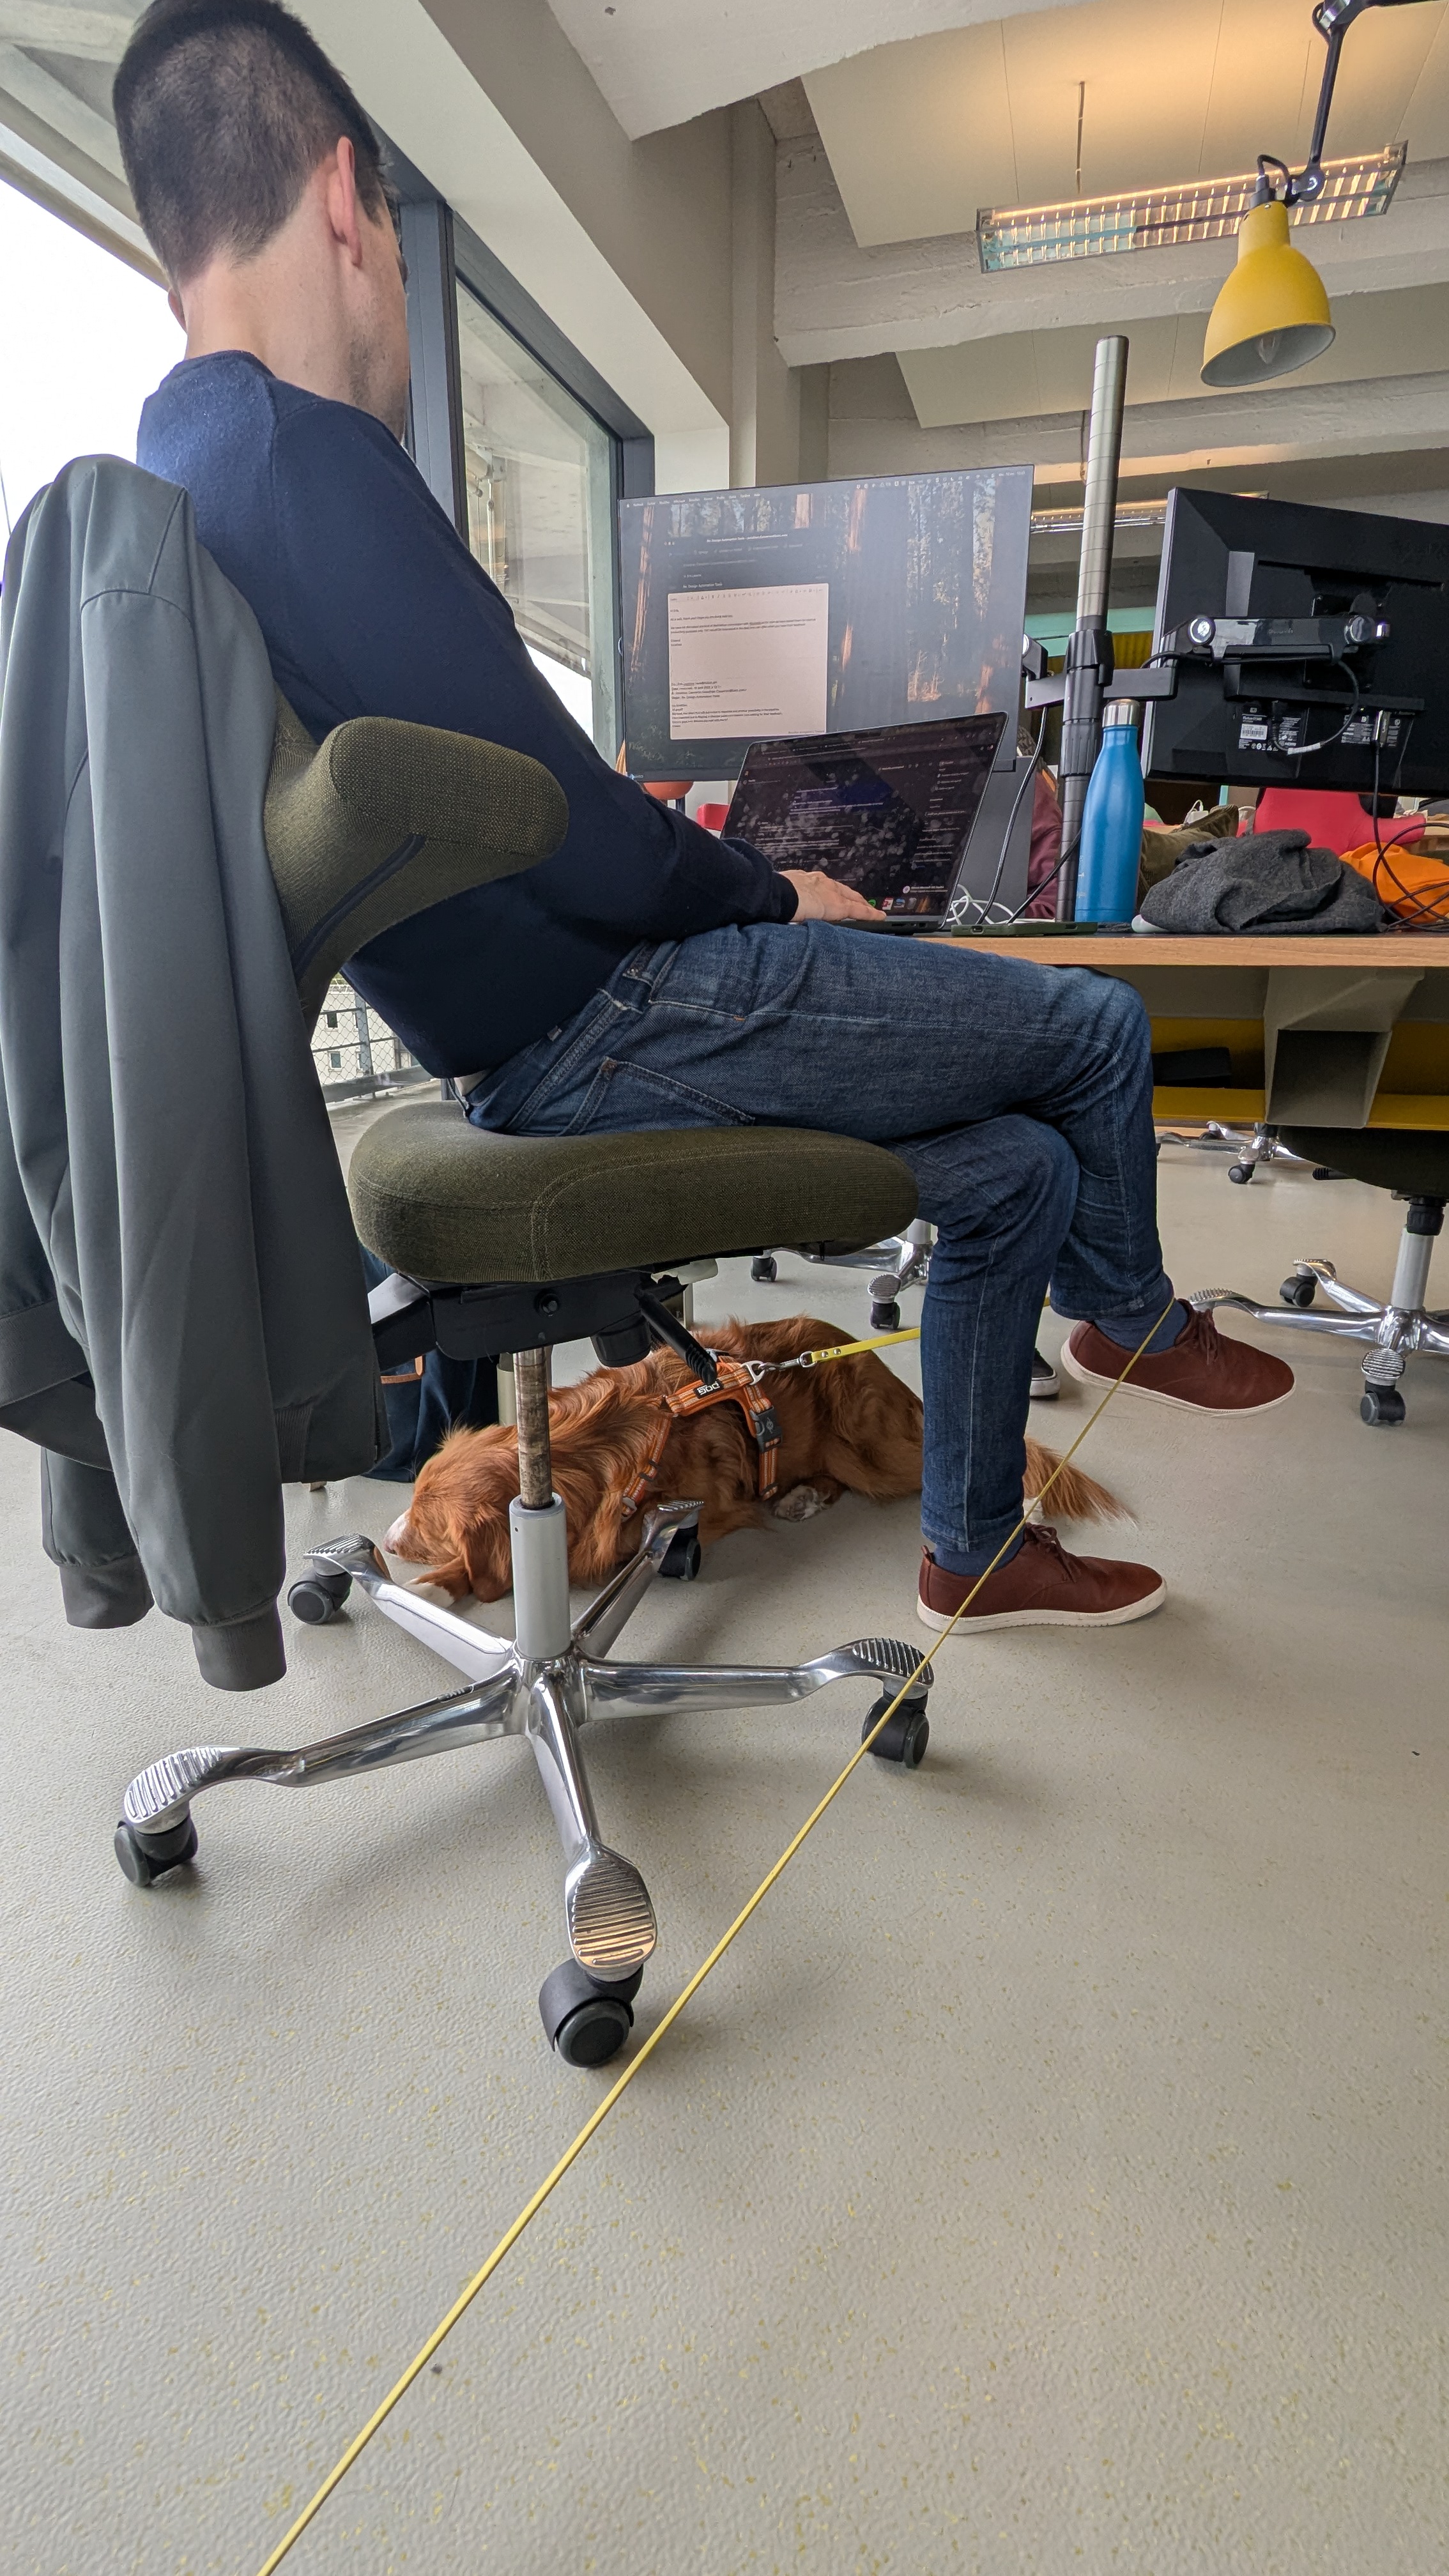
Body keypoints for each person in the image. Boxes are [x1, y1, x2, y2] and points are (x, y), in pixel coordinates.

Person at [112, 0, 1293, 1638]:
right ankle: (1131, 1315)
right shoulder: (307, 464)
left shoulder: (180, 483)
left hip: (515, 1028)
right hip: (611, 1011)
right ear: (344, 199)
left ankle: (971, 1542)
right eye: (394, 234)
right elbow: (576, 833)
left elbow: (511, 814)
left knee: (1018, 1167)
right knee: (1092, 1030)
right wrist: (774, 890)